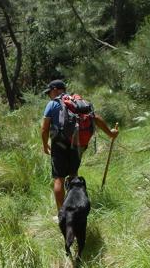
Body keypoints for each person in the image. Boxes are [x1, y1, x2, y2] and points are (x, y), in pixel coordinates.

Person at [41, 79, 119, 211]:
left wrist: (44, 145)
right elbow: (95, 117)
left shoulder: (52, 104)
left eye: (49, 92)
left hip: (59, 143)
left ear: (55, 89)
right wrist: (110, 133)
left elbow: (44, 129)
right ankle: (76, 208)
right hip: (77, 144)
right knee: (73, 176)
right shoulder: (79, 102)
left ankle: (62, 213)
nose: (49, 95)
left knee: (59, 178)